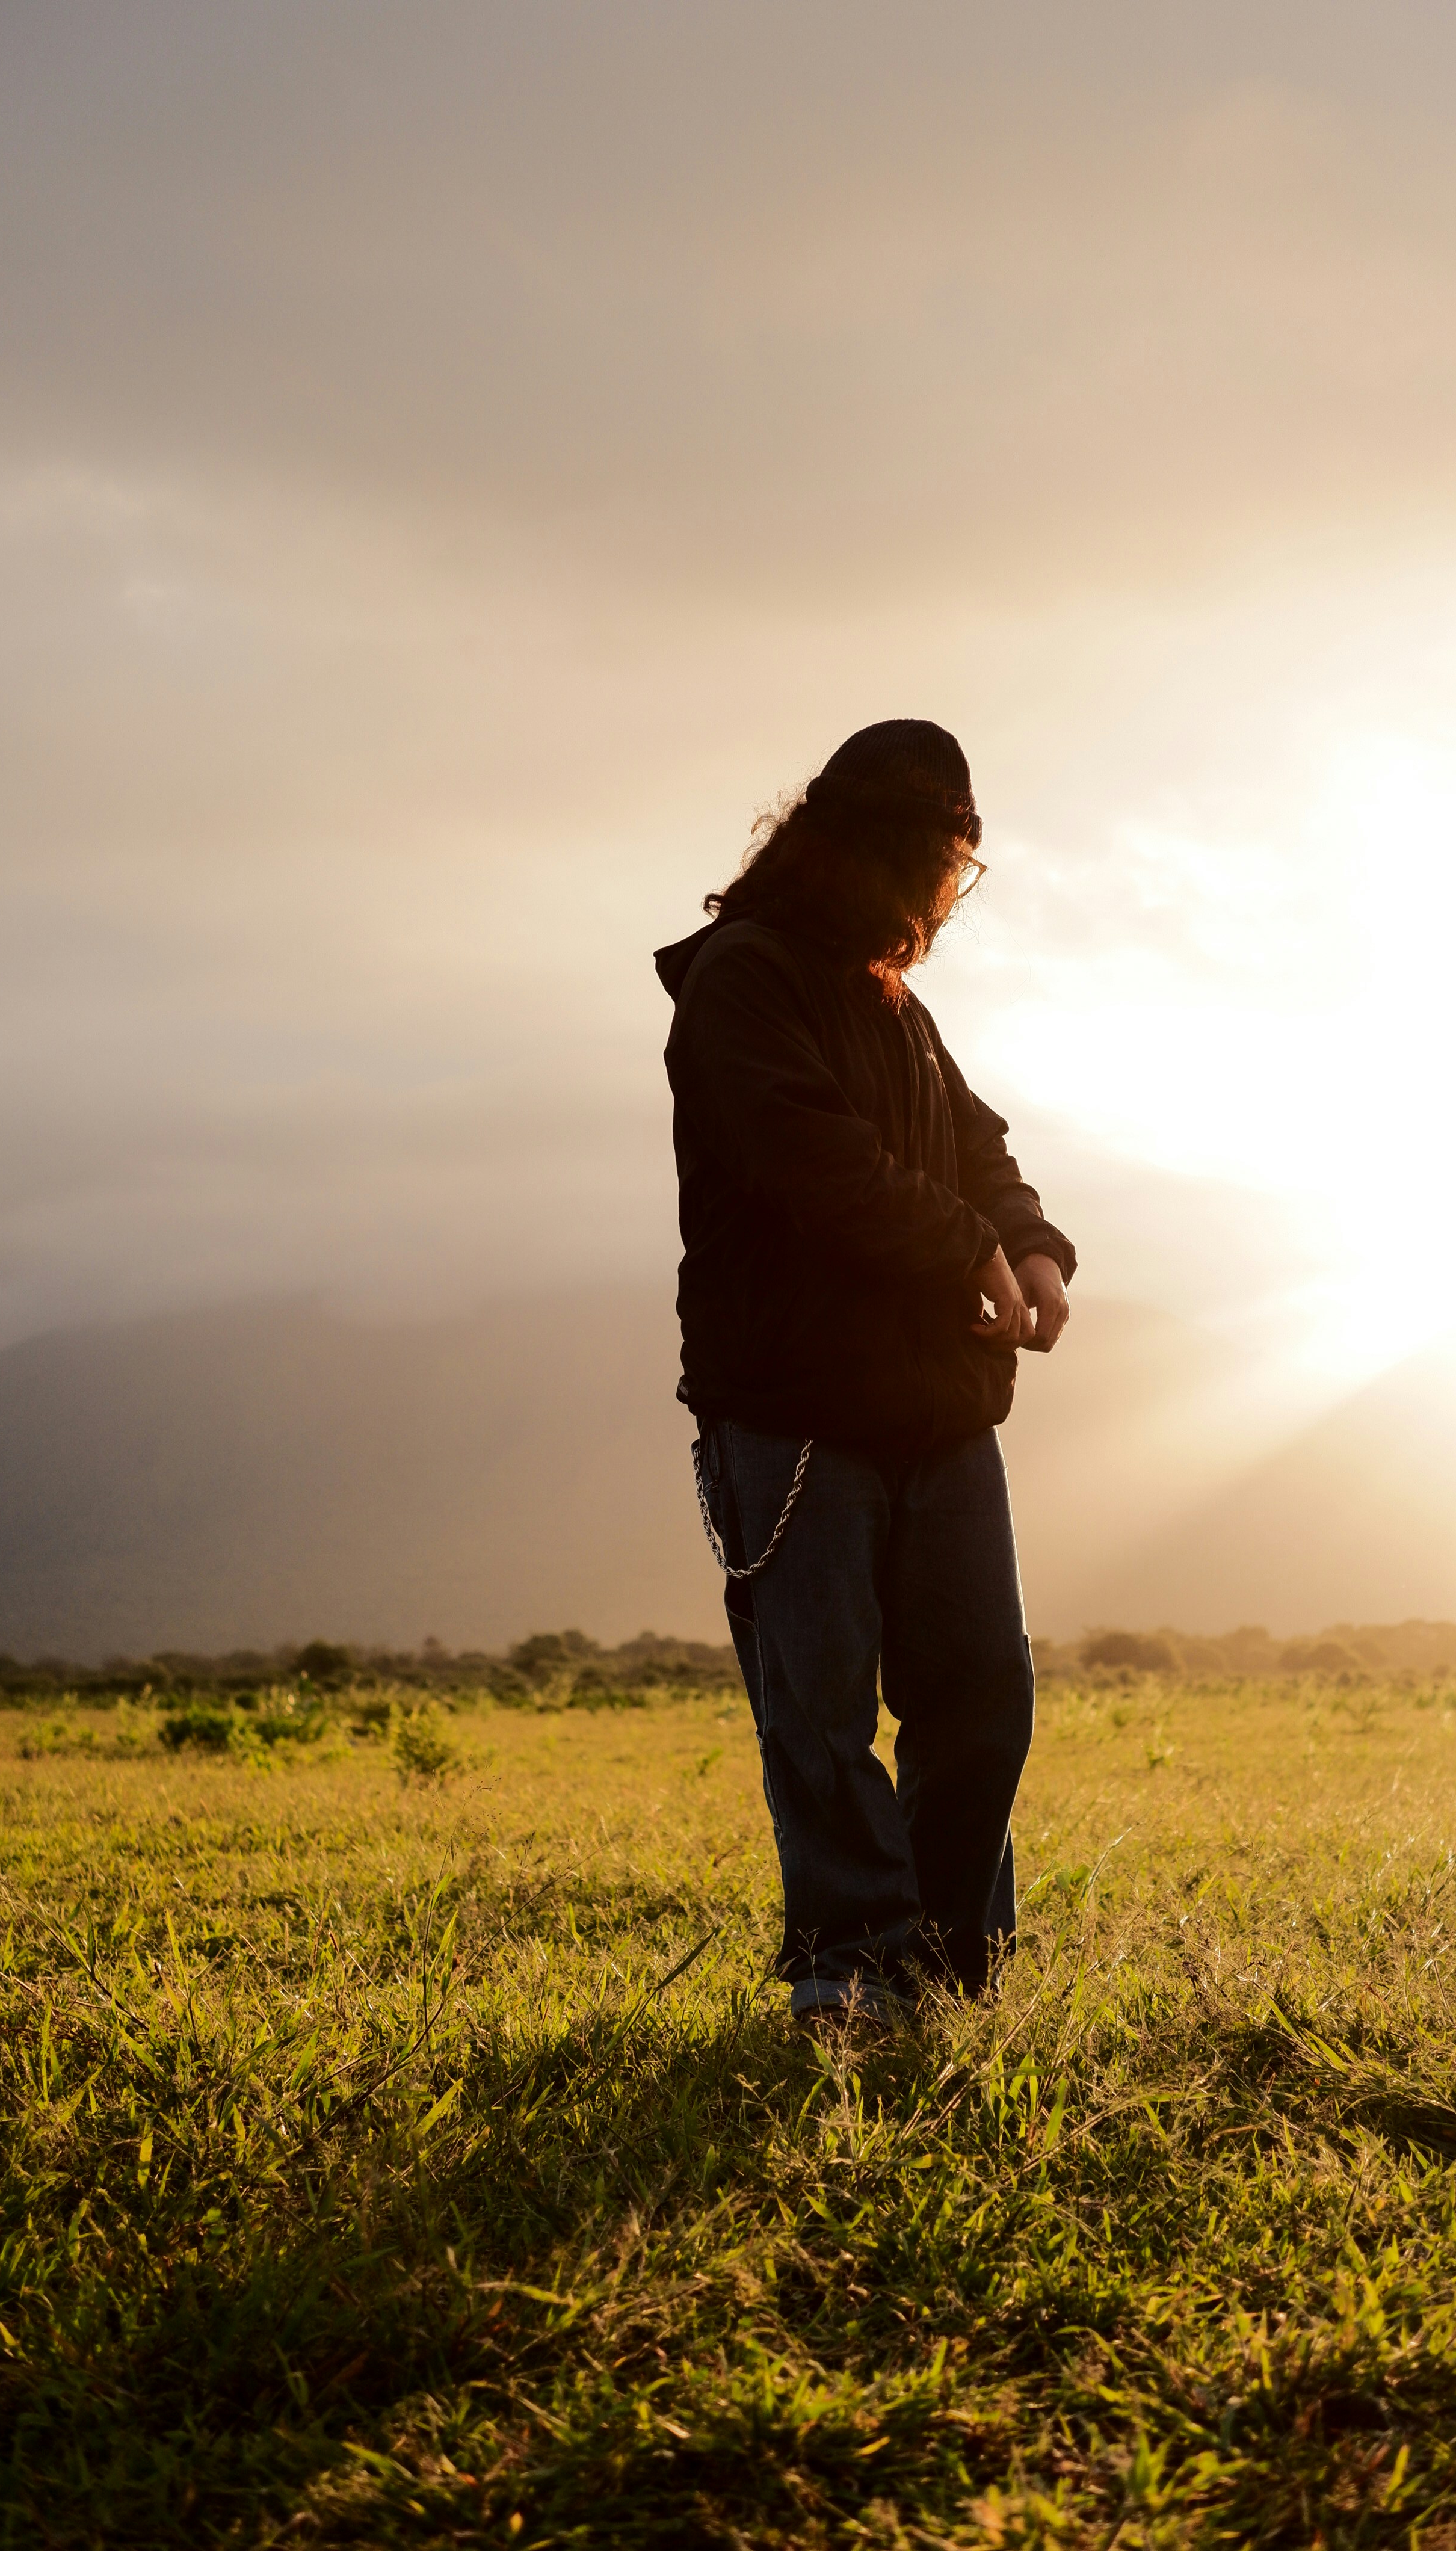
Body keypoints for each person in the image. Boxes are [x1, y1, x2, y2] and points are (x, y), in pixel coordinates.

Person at [655, 718, 1075, 2024]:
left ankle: (954, 1963)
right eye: (945, 859)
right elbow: (814, 1162)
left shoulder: (898, 1006)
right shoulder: (744, 983)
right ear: (889, 851)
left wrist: (1030, 1240)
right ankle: (852, 1970)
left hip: (937, 1407)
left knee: (982, 1694)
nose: (949, 893)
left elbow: (974, 1140)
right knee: (822, 1712)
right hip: (791, 1415)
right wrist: (965, 1245)